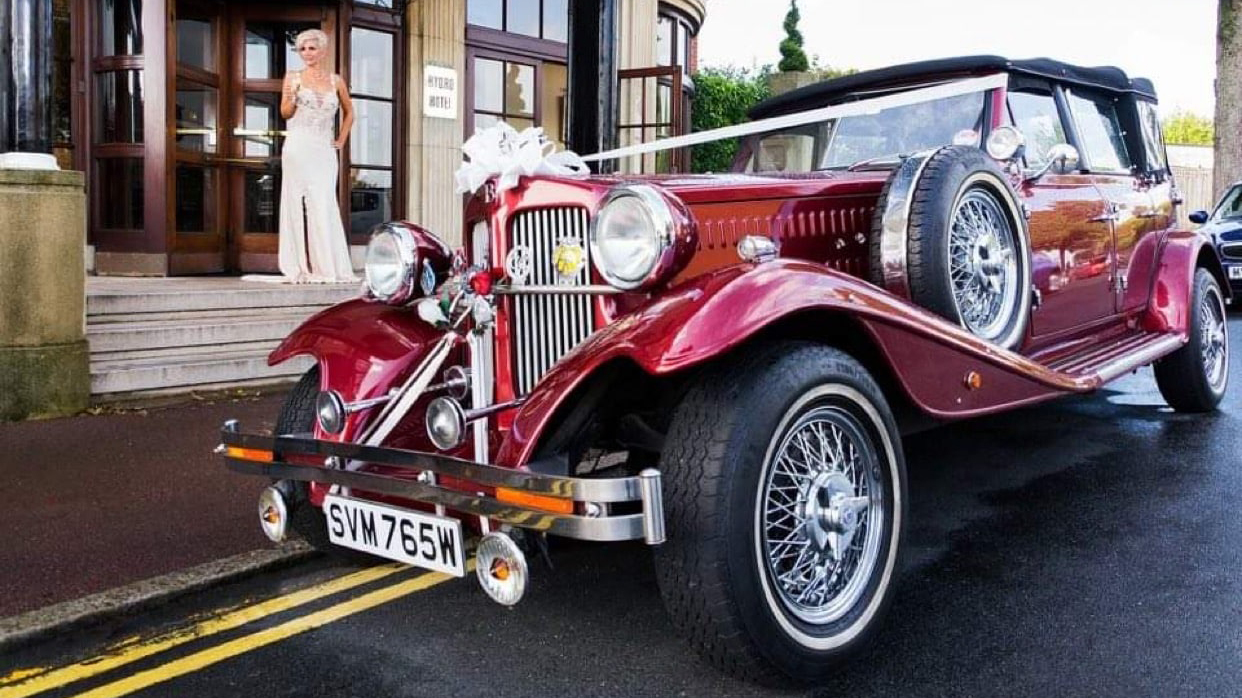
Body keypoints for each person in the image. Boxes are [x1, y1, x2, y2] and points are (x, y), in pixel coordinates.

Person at [276, 28, 358, 283]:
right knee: (294, 203)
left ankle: (328, 266)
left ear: (322, 50)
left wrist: (341, 138)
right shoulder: (292, 77)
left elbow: (350, 112)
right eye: (302, 49)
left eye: (311, 48)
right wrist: (293, 95)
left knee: (323, 202)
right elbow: (285, 113)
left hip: (324, 149)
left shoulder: (336, 81)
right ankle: (299, 266)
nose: (307, 53)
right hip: (298, 146)